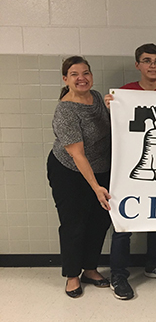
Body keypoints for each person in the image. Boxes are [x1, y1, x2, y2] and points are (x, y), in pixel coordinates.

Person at [106, 43, 156, 300]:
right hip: (129, 169)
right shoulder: (124, 94)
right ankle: (118, 273)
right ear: (137, 65)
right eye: (147, 60)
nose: (152, 65)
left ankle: (153, 264)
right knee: (123, 224)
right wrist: (113, 107)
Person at [47, 56, 112, 298]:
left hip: (100, 167)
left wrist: (113, 107)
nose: (81, 78)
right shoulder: (65, 110)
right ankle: (72, 275)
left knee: (99, 221)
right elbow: (77, 154)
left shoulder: (96, 97)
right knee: (74, 223)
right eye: (74, 74)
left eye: (85, 73)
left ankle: (90, 268)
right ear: (66, 79)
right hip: (70, 171)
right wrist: (95, 187)